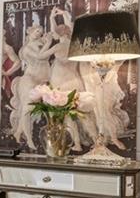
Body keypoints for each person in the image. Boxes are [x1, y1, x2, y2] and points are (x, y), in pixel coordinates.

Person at [48, 8, 98, 151]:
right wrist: (62, 15)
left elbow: (42, 54)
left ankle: (77, 144)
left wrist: (53, 17)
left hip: (60, 83)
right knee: (82, 114)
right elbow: (60, 30)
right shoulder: (75, 45)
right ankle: (95, 141)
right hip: (74, 81)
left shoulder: (58, 47)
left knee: (68, 116)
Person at [9, 24, 58, 149]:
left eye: (41, 31)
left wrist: (48, 38)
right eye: (37, 31)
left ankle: (18, 133)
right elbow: (40, 56)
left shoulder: (41, 42)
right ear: (29, 32)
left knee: (44, 109)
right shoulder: (27, 48)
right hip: (30, 79)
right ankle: (29, 139)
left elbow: (52, 35)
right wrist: (49, 43)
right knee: (27, 109)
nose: (39, 33)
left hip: (43, 80)